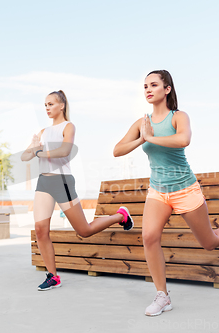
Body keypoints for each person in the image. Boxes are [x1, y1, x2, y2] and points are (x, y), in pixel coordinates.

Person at [113, 70, 219, 316]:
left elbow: (183, 139)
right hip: (158, 191)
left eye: (153, 85)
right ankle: (162, 295)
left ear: (167, 89)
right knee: (149, 237)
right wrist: (142, 139)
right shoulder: (142, 123)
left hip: (185, 189)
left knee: (209, 243)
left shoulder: (178, 117)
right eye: (145, 86)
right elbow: (117, 150)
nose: (148, 90)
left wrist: (151, 137)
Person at [21, 90, 134, 291]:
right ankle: (53, 276)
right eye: (45, 105)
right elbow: (24, 158)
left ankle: (120, 216)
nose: (47, 108)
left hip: (62, 182)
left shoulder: (68, 126)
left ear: (61, 105)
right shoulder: (42, 132)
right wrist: (31, 147)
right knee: (40, 230)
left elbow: (65, 151)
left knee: (84, 231)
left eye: (51, 104)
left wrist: (38, 151)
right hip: (44, 183)